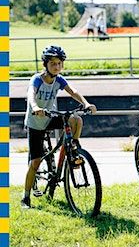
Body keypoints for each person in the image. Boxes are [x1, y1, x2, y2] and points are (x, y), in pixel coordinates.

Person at [21, 45, 97, 209]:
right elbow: (31, 95)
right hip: (36, 122)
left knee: (76, 119)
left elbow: (73, 91)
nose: (56, 67)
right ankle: (25, 197)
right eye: (53, 63)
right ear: (45, 64)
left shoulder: (59, 79)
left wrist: (86, 103)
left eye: (59, 63)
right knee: (35, 162)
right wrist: (35, 107)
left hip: (50, 117)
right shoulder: (37, 79)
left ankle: (73, 148)